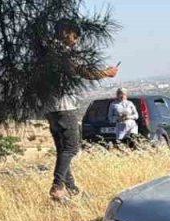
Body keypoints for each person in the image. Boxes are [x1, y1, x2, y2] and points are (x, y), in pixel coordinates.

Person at [44, 20, 117, 202]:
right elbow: (82, 71)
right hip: (65, 106)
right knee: (71, 147)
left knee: (63, 150)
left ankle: (73, 190)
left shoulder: (44, 52)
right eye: (74, 36)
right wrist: (106, 73)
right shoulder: (62, 53)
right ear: (64, 32)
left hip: (49, 107)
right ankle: (57, 186)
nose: (76, 41)